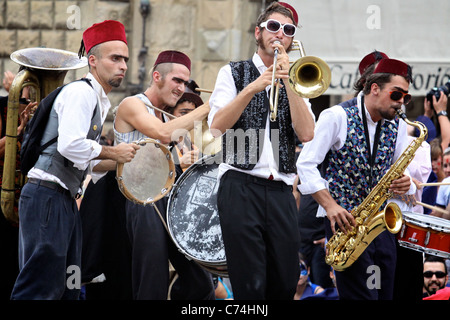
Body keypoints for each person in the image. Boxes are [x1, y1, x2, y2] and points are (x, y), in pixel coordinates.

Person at [10, 20, 140, 300]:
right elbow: (71, 146)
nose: (124, 66)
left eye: (126, 59)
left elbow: (89, 162)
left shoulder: (95, 98)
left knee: (69, 289)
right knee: (39, 288)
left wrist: (125, 160)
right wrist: (114, 153)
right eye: (115, 58)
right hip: (48, 198)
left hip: (62, 200)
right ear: (92, 61)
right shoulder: (81, 92)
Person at [208, 2, 315, 300]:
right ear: (258, 32)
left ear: (293, 40)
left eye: (288, 30)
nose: (280, 34)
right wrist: (252, 88)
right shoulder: (232, 72)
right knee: (250, 281)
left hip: (280, 190)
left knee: (285, 277)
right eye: (273, 27)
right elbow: (216, 127)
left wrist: (289, 84)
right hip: (240, 184)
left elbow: (307, 133)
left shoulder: (297, 78)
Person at [297, 57, 416, 300]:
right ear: (375, 88)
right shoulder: (336, 116)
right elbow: (305, 164)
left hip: (382, 226)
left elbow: (399, 172)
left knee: (383, 295)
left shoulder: (399, 125)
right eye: (396, 95)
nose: (401, 103)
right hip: (347, 228)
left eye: (406, 97)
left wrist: (408, 183)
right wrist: (330, 206)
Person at [114, 50, 215, 300]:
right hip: (143, 201)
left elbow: (211, 144)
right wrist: (212, 105)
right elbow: (161, 134)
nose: (182, 88)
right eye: (177, 81)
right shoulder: (132, 104)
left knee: (201, 280)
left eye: (184, 82)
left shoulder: (166, 113)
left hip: (170, 198)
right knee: (152, 282)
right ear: (157, 76)